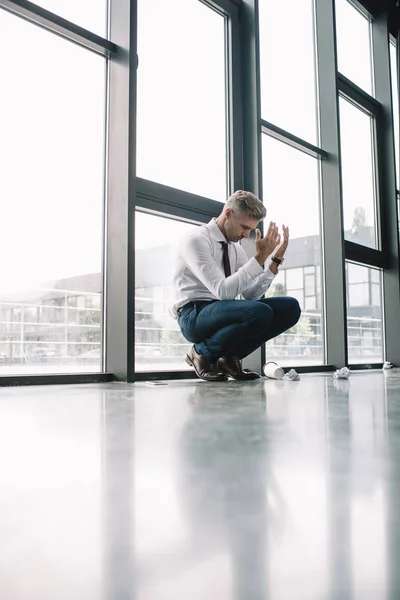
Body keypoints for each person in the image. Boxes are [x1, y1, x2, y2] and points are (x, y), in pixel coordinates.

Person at [172, 190, 301, 381]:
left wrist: (273, 261)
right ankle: (201, 353)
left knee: (290, 308)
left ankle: (229, 357)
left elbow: (250, 295)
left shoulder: (235, 249)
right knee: (260, 312)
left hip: (221, 311)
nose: (246, 234)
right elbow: (223, 291)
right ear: (228, 214)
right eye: (244, 227)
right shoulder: (197, 240)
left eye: (250, 229)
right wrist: (259, 258)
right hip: (193, 314)